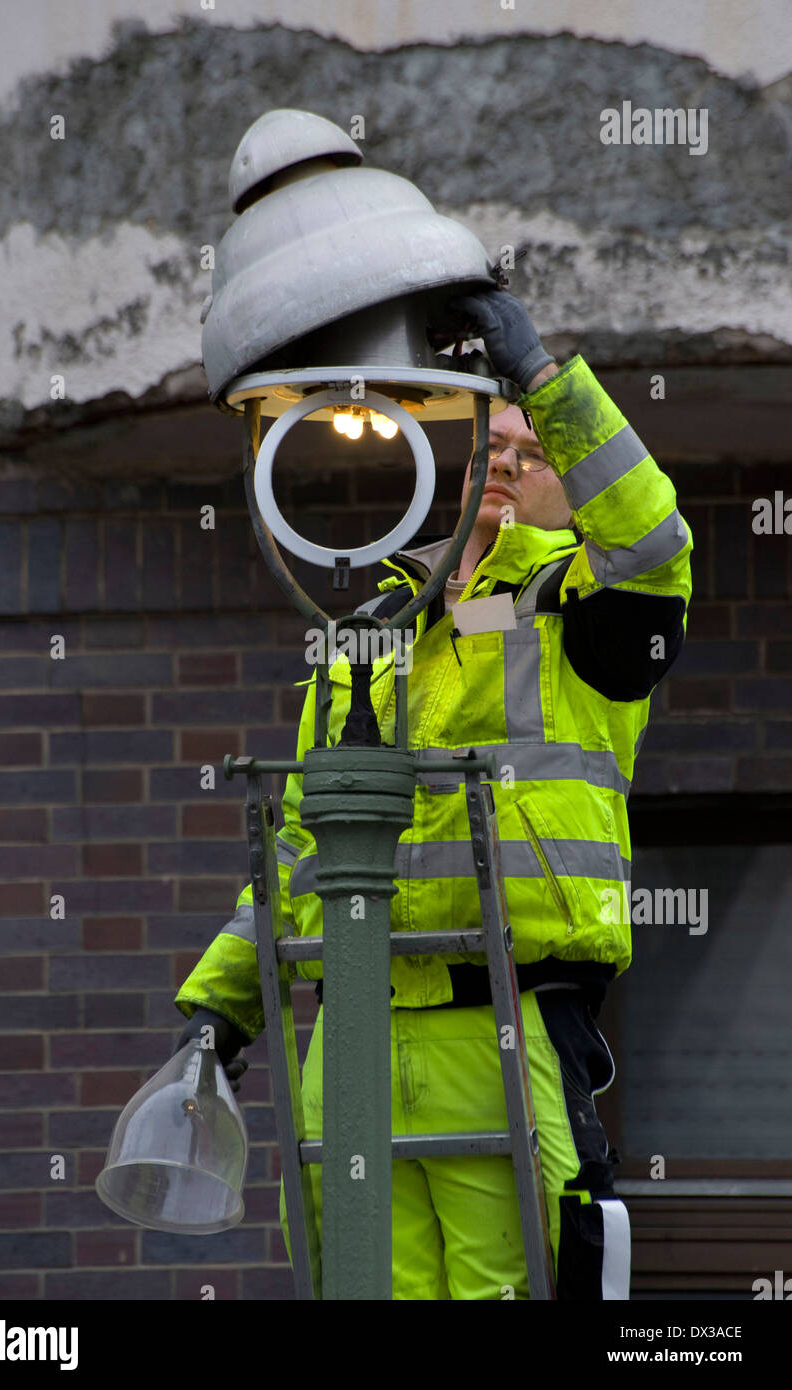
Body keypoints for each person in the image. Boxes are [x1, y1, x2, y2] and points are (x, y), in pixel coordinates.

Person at [173, 289, 693, 1300]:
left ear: (570, 480)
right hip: (356, 1024)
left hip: (502, 1013)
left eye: (533, 451)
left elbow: (652, 541)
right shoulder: (371, 628)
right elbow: (298, 847)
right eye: (486, 448)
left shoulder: (581, 605)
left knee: (512, 1283)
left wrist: (547, 381)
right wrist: (217, 1009)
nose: (504, 462)